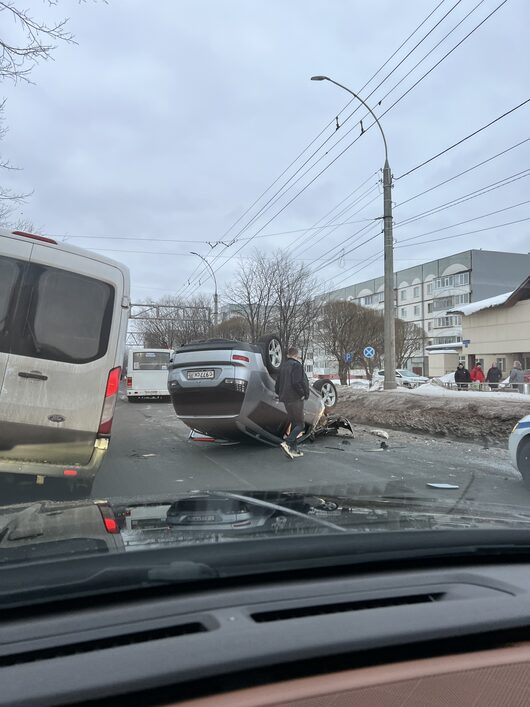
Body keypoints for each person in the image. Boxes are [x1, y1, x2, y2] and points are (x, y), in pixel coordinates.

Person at [275, 346, 309, 459]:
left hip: (285, 398)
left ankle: (294, 449)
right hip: (295, 398)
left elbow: (277, 385)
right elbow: (297, 382)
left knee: (294, 423)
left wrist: (280, 394)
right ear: (296, 355)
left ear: (288, 355)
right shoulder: (296, 365)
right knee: (301, 424)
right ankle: (288, 443)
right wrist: (303, 393)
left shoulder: (283, 366)